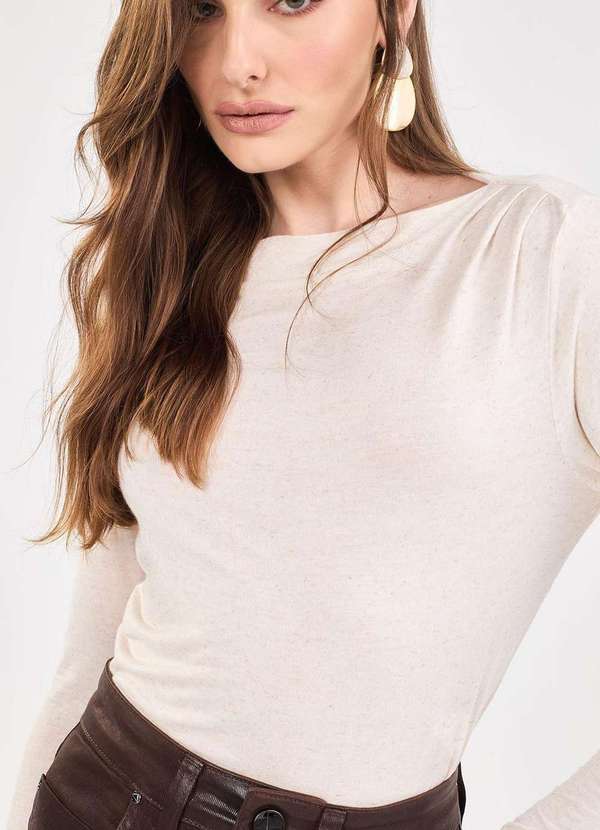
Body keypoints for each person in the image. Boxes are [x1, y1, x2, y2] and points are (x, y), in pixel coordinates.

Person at [8, 0, 600, 828]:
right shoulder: (164, 265)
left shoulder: (543, 254)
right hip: (110, 798)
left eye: (290, 0)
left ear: (395, 13)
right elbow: (93, 645)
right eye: (202, 9)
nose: (237, 62)